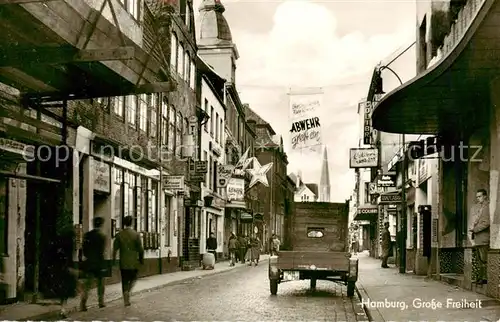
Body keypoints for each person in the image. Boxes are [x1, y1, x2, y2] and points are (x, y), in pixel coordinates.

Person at [113, 216, 144, 307]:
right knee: (134, 278)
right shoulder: (136, 234)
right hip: (133, 262)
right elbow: (140, 249)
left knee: (124, 280)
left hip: (123, 262)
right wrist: (141, 260)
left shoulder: (119, 235)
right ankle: (128, 292)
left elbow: (115, 249)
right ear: (132, 223)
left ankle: (126, 296)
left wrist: (114, 261)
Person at [80, 217, 106, 311]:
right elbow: (101, 251)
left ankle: (83, 303)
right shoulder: (102, 236)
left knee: (87, 285)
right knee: (101, 283)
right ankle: (101, 302)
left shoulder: (87, 235)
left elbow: (84, 249)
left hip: (89, 263)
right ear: (101, 225)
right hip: (98, 263)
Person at [52, 225, 77, 318]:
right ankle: (63, 309)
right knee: (65, 291)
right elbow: (69, 258)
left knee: (62, 290)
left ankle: (63, 309)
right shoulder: (69, 245)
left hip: (59, 269)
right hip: (66, 269)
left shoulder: (59, 245)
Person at [470, 189, 490, 284]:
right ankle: (480, 277)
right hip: (478, 238)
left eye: (480, 196)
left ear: (485, 196)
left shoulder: (487, 206)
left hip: (483, 237)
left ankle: (485, 278)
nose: (478, 198)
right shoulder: (479, 207)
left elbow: (486, 223)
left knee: (484, 259)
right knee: (479, 259)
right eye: (477, 197)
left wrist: (475, 229)